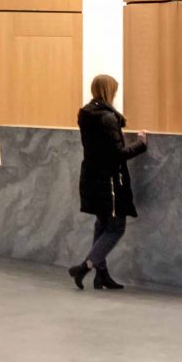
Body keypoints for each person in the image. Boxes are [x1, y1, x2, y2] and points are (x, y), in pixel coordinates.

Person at [69, 73, 144, 293]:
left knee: (102, 224)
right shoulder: (107, 118)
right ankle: (86, 266)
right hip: (109, 182)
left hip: (92, 178)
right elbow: (117, 154)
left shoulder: (86, 114)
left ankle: (101, 276)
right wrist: (141, 144)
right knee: (116, 227)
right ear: (108, 91)